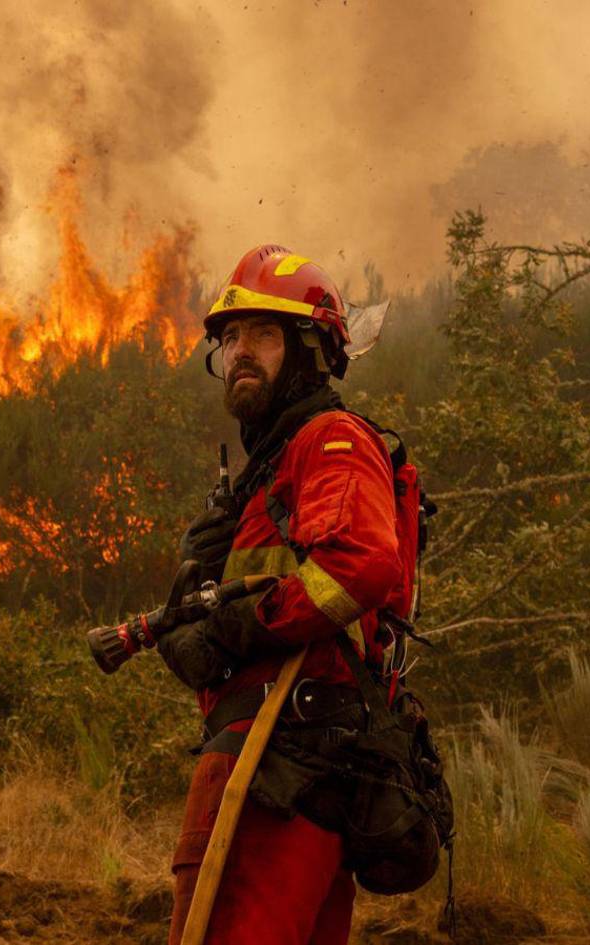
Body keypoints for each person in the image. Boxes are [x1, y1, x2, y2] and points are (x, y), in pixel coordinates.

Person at [157, 245, 402, 944]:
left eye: (263, 334)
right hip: (274, 761)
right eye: (230, 337)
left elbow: (360, 565)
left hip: (282, 763)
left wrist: (244, 626)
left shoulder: (327, 439)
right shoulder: (264, 475)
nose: (239, 351)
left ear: (311, 351)